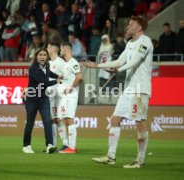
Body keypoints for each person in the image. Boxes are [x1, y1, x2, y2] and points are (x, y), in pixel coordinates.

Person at [83, 16, 153, 168]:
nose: (128, 26)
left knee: (140, 123)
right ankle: (111, 156)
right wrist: (97, 66)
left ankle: (140, 161)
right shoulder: (129, 43)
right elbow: (119, 61)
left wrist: (119, 70)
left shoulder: (145, 41)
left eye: (131, 24)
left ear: (140, 27)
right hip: (129, 89)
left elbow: (135, 60)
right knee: (115, 120)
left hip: (140, 89)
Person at [23, 47, 62, 154]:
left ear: (47, 57)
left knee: (47, 122)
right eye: (40, 55)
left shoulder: (47, 65)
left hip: (44, 98)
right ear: (36, 56)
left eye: (44, 55)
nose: (43, 57)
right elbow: (43, 82)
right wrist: (56, 81)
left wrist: (57, 75)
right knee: (30, 123)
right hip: (32, 99)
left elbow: (49, 73)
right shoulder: (33, 68)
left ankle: (49, 145)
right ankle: (26, 145)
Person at [58, 42, 82, 154]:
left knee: (69, 119)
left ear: (66, 50)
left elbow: (79, 76)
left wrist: (71, 87)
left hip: (71, 95)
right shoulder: (65, 64)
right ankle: (69, 146)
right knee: (65, 119)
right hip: (65, 95)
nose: (60, 51)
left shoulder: (73, 62)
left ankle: (72, 147)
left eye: (61, 49)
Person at [46, 42, 68, 151]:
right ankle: (53, 145)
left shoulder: (60, 62)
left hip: (58, 95)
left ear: (53, 49)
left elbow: (65, 77)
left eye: (48, 47)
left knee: (59, 118)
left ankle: (65, 143)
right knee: (52, 119)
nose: (46, 48)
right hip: (50, 95)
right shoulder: (48, 63)